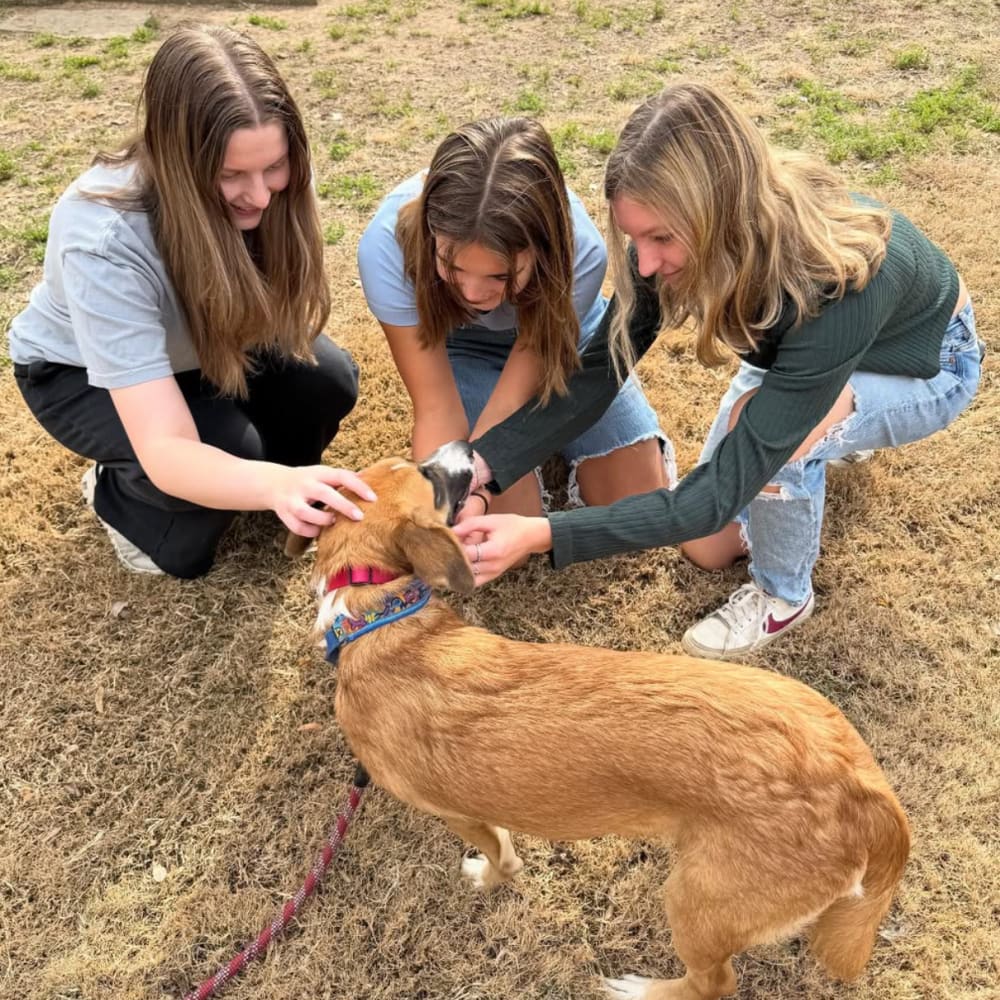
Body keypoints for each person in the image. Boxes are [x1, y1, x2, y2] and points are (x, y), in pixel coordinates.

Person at [454, 82, 984, 660]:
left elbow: (705, 500)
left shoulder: (836, 285)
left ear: (721, 212)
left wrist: (542, 534)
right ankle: (820, 420)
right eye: (634, 237)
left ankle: (783, 597)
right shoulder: (681, 237)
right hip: (797, 356)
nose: (646, 262)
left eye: (660, 239)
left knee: (763, 429)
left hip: (927, 364)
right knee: (706, 547)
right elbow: (601, 369)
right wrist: (483, 463)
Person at [8, 24, 373, 579]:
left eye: (273, 166)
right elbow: (168, 448)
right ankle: (117, 492)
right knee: (192, 528)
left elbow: (281, 322)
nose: (260, 196)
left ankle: (243, 460)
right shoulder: (101, 236)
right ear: (176, 161)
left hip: (206, 345)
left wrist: (279, 480)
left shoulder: (273, 179)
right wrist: (269, 480)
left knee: (328, 383)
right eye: (229, 176)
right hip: (77, 373)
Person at [357, 116, 672, 523]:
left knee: (637, 502)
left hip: (556, 337)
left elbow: (512, 396)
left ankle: (569, 425)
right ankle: (547, 435)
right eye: (450, 266)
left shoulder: (581, 251)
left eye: (500, 275)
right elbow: (435, 406)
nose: (471, 294)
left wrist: (484, 469)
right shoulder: (384, 248)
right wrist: (444, 507)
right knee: (496, 517)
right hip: (460, 346)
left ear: (544, 251)